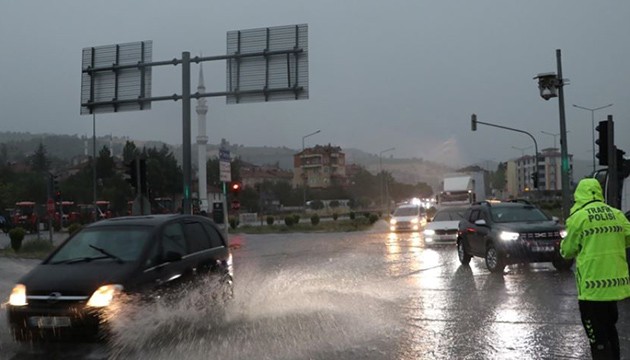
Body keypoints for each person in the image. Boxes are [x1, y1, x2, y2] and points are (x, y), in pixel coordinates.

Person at [560, 178, 630, 359]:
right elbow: (628, 238)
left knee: (597, 339)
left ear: (579, 195)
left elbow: (567, 252)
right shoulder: (617, 215)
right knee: (610, 330)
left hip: (591, 290)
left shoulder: (578, 218)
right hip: (615, 287)